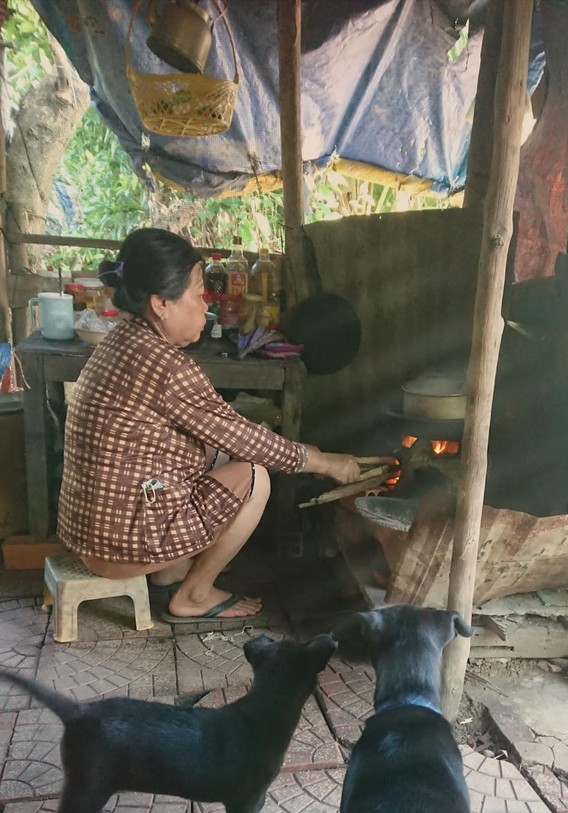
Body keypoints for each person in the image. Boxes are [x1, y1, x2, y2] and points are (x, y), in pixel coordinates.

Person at [57, 227, 361, 622]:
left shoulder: (121, 341)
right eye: (199, 295)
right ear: (161, 303)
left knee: (217, 452)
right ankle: (193, 595)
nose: (207, 307)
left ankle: (170, 570)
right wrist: (324, 462)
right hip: (118, 548)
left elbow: (223, 432)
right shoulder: (167, 368)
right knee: (254, 477)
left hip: (90, 535)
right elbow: (250, 442)